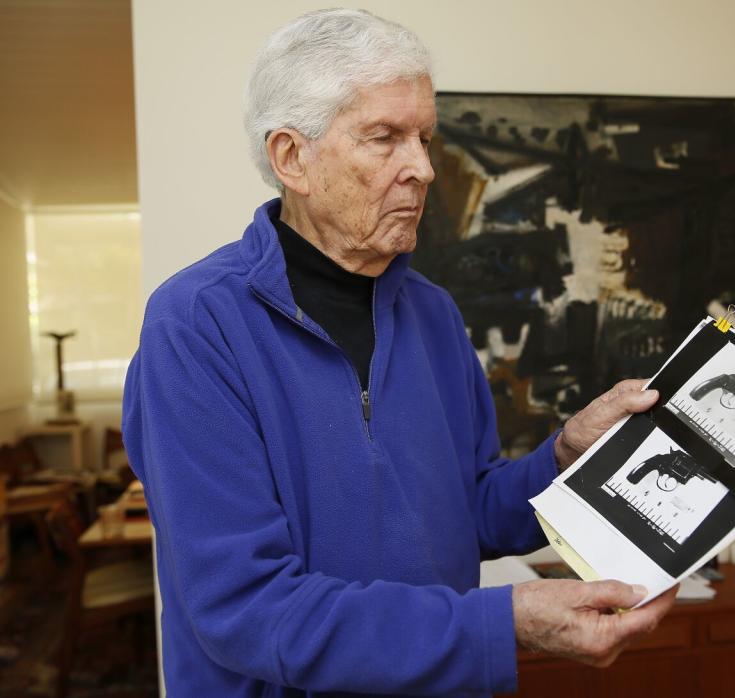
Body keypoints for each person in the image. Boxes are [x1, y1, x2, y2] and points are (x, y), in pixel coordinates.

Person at [122, 8, 676, 696]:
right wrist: (498, 624)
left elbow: (470, 513)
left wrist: (564, 453)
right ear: (292, 157)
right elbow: (246, 609)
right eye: (384, 138)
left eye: (424, 138)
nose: (421, 168)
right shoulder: (195, 326)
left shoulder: (434, 314)